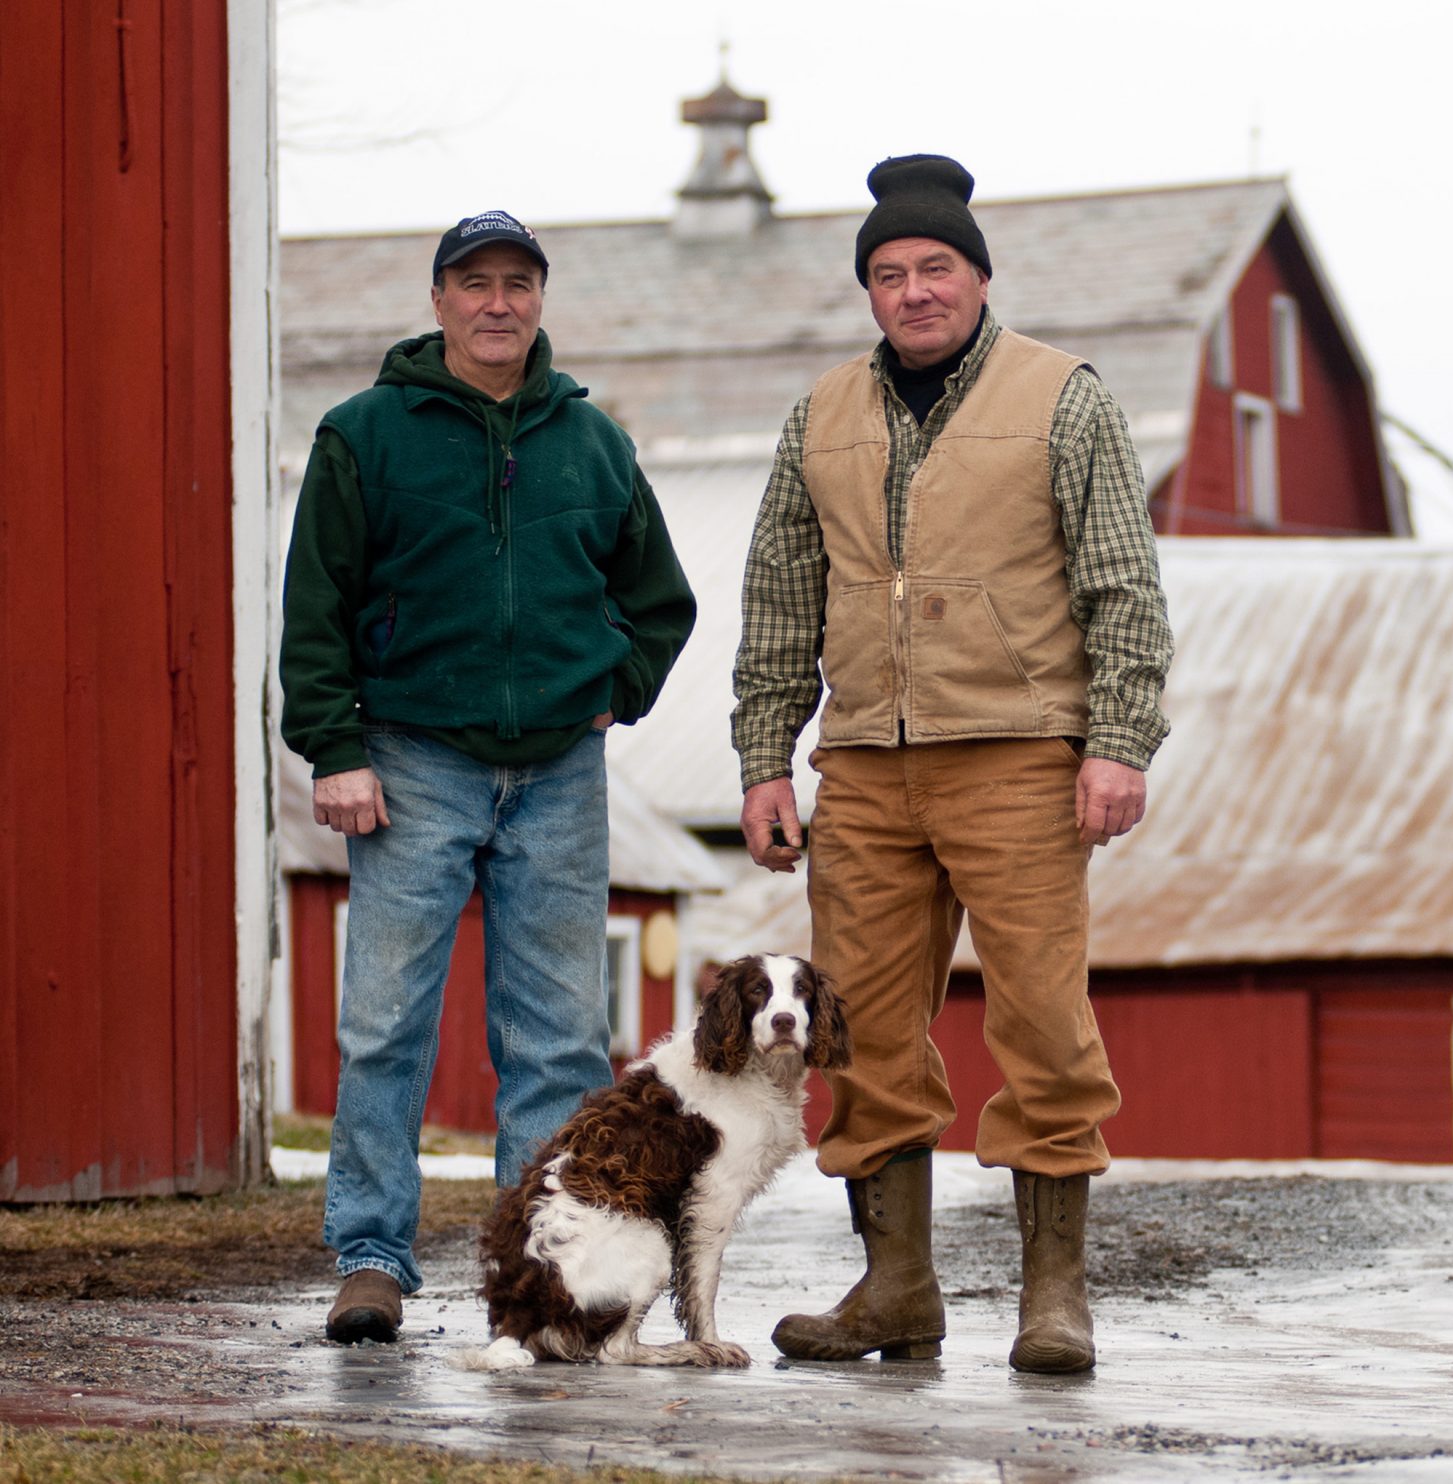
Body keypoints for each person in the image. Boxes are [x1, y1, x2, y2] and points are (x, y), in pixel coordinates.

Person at [731, 156, 1174, 1373]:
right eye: (890, 273)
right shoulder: (819, 414)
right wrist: (765, 756)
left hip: (1023, 756)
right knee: (862, 1027)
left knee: (1040, 1020)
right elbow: (779, 595)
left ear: (979, 276)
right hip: (867, 763)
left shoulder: (1062, 398)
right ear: (868, 292)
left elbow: (1124, 585)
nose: (915, 290)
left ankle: (1053, 1298)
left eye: (936, 267)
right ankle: (897, 1288)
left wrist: (1118, 741)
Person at [280, 210, 696, 1345]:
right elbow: (313, 606)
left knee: (559, 1034)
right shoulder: (364, 435)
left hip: (559, 765)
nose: (496, 302)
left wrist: (623, 680)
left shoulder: (589, 439)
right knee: (383, 1024)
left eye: (518, 282)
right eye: (475, 284)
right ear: (440, 302)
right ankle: (372, 1256)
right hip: (413, 757)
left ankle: (546, 1269)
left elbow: (660, 598)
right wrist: (336, 745)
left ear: (540, 301)